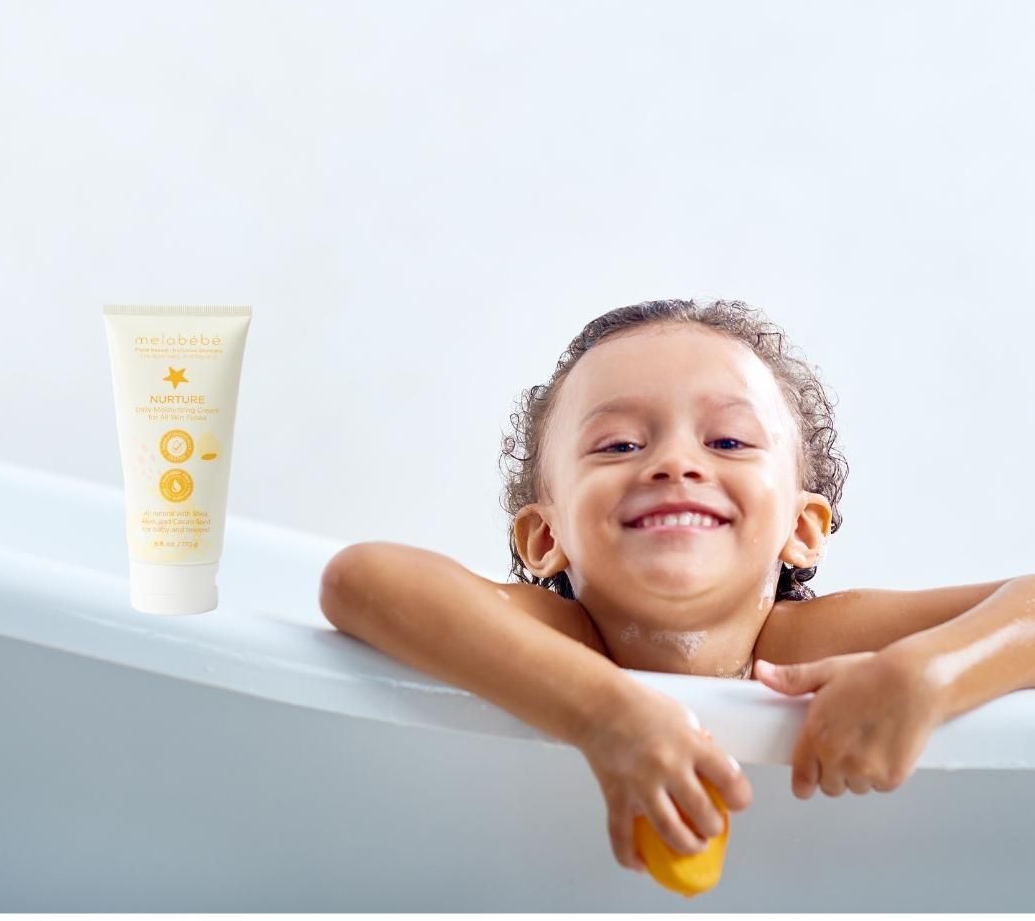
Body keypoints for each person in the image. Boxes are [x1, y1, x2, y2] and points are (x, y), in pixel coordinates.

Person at [320, 297, 1035, 875]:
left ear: (803, 527)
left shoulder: (810, 643)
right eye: (620, 444)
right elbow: (363, 578)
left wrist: (932, 673)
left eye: (727, 441)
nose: (675, 462)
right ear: (545, 539)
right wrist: (604, 715)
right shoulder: (558, 639)